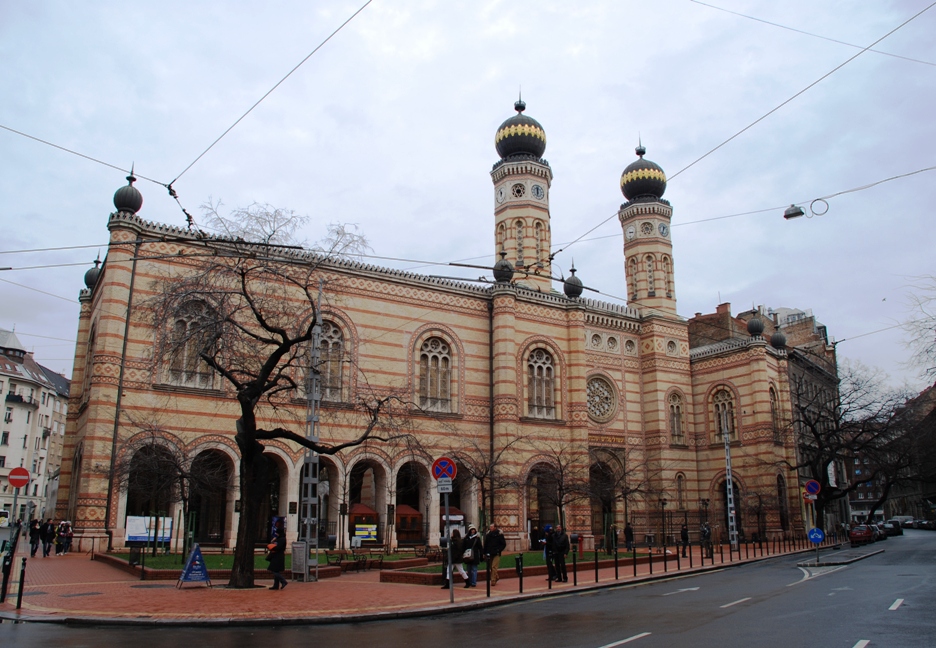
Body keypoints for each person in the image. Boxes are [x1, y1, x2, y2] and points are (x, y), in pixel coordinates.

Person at [266, 519, 288, 590]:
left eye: (277, 533)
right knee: (276, 570)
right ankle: (276, 585)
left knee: (274, 570)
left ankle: (283, 581)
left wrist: (271, 546)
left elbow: (278, 547)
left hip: (278, 556)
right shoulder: (278, 539)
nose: (276, 534)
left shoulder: (282, 539)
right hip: (276, 556)